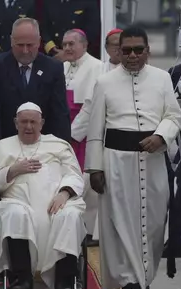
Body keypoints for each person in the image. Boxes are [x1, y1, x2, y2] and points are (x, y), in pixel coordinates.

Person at [85, 26, 181, 289]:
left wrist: (160, 135)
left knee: (153, 224)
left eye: (137, 50)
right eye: (125, 50)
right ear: (118, 52)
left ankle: (145, 278)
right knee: (121, 223)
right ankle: (131, 283)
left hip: (152, 160)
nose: (131, 56)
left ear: (147, 51)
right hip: (116, 161)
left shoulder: (163, 79)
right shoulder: (105, 82)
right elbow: (95, 129)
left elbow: (174, 117)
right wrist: (95, 168)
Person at [0, 102, 86, 289]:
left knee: (69, 216)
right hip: (17, 202)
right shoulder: (1, 147)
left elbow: (75, 175)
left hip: (57, 202)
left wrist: (65, 193)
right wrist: (12, 171)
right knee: (14, 215)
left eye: (33, 122)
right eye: (23, 122)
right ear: (15, 123)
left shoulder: (59, 145)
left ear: (42, 123)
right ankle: (22, 282)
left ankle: (64, 284)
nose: (28, 127)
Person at [0, 17, 70, 151]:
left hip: (44, 146)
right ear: (12, 41)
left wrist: (60, 149)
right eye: (20, 45)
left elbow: (60, 113)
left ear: (39, 42)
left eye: (30, 45)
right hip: (7, 145)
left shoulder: (53, 68)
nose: (25, 51)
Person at [62, 28, 103, 246]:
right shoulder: (63, 66)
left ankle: (87, 231)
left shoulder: (97, 67)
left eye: (72, 44)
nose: (67, 48)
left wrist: (72, 134)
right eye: (65, 44)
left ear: (84, 45)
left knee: (86, 183)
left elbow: (90, 106)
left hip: (82, 134)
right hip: (64, 129)